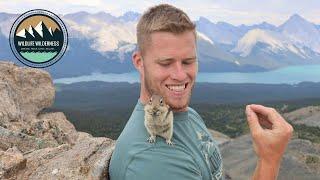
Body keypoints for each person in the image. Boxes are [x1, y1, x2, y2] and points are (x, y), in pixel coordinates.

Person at [109, 4, 293, 180]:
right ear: (139, 62)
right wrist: (270, 159)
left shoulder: (186, 114)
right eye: (166, 63)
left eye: (188, 61)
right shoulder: (154, 160)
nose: (180, 75)